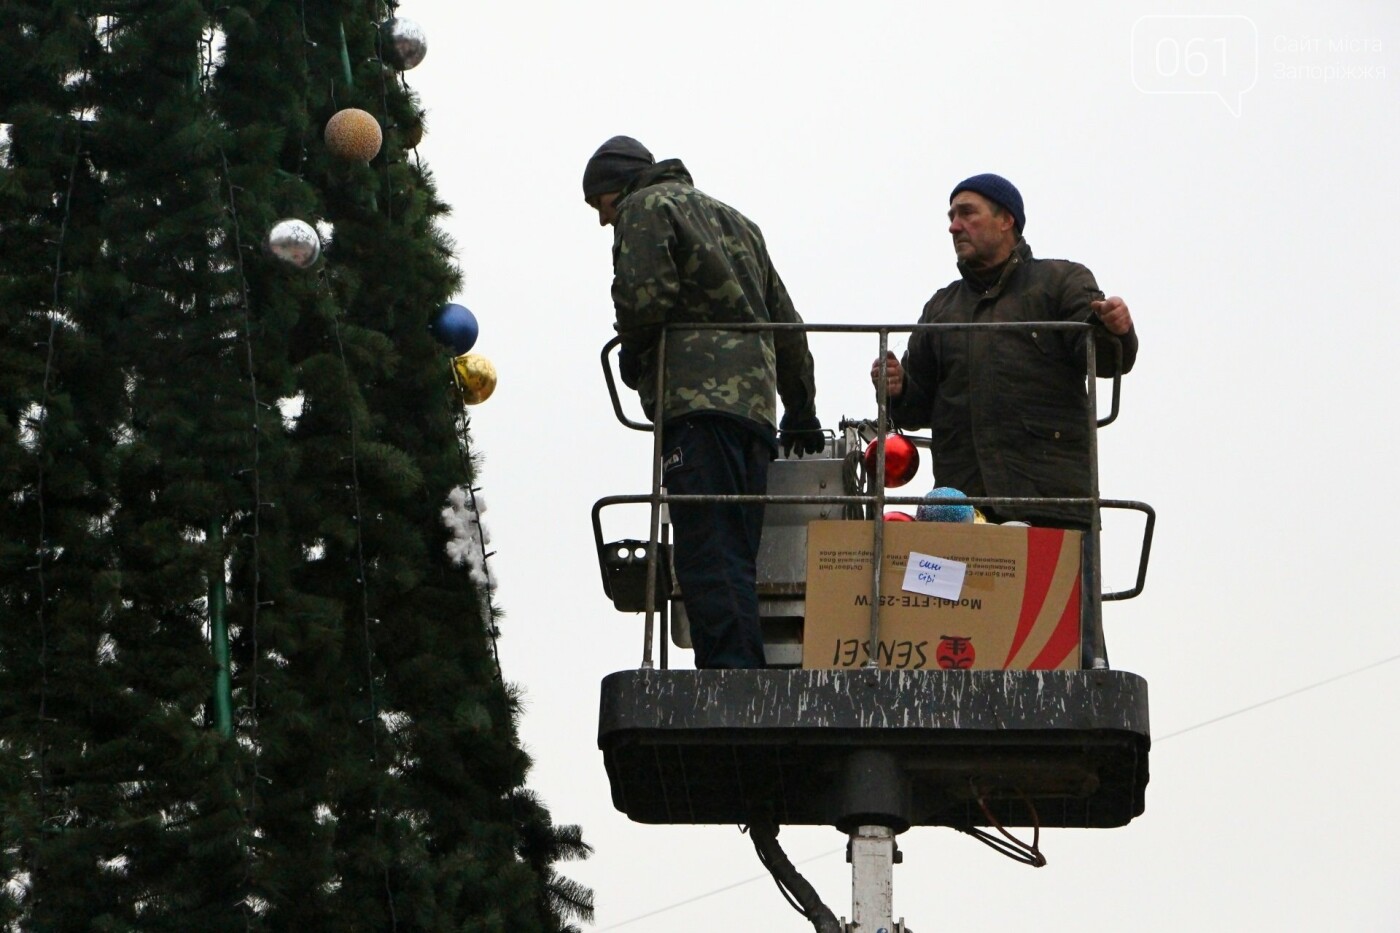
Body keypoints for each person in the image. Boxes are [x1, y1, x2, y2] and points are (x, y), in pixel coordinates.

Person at [583, 135, 822, 670]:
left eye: (597, 203)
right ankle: (745, 671)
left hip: (695, 406)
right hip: (755, 415)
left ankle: (732, 680)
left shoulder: (645, 206)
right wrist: (801, 409)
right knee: (736, 551)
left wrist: (635, 348)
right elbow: (788, 325)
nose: (601, 219)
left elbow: (646, 297)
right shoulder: (739, 223)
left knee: (706, 553)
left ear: (615, 186)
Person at [870, 173, 1138, 529]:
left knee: (1055, 588)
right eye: (951, 217)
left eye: (967, 213)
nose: (954, 227)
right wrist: (897, 387)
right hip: (963, 513)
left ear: (1006, 219)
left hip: (1053, 508)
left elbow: (1105, 361)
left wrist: (1117, 330)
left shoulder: (1061, 282)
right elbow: (916, 408)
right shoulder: (940, 308)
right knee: (944, 585)